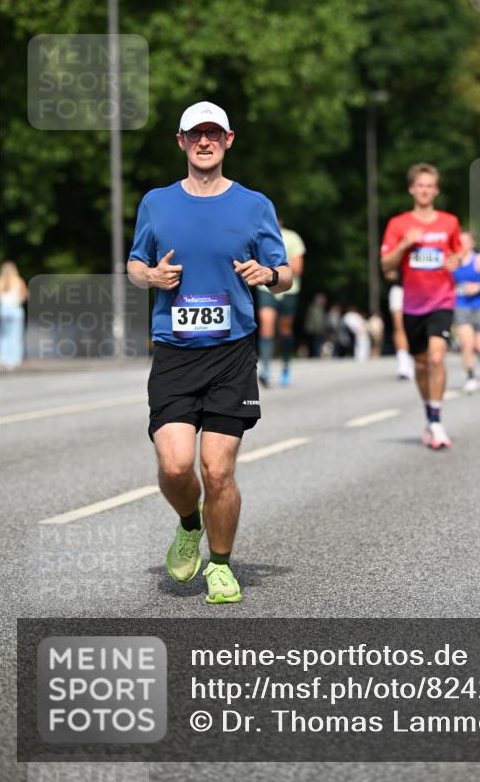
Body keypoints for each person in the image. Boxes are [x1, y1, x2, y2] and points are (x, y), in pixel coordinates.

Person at [127, 101, 291, 604]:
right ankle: (187, 524)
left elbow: (285, 276)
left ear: (228, 140)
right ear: (180, 142)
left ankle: (220, 565)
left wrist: (269, 276)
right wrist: (150, 277)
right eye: (195, 134)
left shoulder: (254, 205)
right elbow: (135, 263)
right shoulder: (156, 202)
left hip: (231, 353)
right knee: (177, 466)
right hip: (175, 352)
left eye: (213, 134)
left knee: (217, 470)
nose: (204, 142)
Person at [380, 163, 461, 449]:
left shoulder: (449, 222)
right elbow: (385, 264)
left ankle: (437, 420)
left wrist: (456, 260)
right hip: (412, 304)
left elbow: (457, 253)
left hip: (442, 300)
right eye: (420, 185)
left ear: (435, 190)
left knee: (437, 357)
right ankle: (429, 414)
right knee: (421, 363)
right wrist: (404, 245)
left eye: (430, 186)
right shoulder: (398, 224)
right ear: (412, 189)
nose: (425, 190)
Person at [257, 219, 305, 387]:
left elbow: (298, 269)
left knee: (285, 329)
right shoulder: (260, 236)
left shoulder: (292, 237)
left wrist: (277, 268)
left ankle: (285, 365)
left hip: (288, 289)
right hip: (265, 288)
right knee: (266, 325)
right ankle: (266, 370)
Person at [452, 229, 480, 393]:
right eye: (459, 241)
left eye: (465, 241)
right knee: (466, 343)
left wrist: (479, 286)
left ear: (472, 243)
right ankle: (470, 376)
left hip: (479, 305)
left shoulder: (479, 259)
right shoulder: (452, 260)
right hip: (461, 305)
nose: (462, 244)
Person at [0, 261, 28, 369]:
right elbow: (25, 296)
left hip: (3, 310)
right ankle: (14, 360)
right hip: (15, 309)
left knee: (3, 336)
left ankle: (3, 358)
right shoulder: (19, 281)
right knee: (15, 335)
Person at [385, 269, 414, 379]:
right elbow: (387, 271)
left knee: (414, 327)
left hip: (421, 290)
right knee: (399, 326)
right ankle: (403, 362)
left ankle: (416, 357)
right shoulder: (397, 250)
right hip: (400, 289)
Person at [303, 293, 327, 358]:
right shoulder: (315, 308)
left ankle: (314, 354)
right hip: (314, 329)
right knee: (314, 343)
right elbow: (316, 320)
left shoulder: (320, 308)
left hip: (316, 329)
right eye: (322, 300)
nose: (324, 301)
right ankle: (314, 355)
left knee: (316, 343)